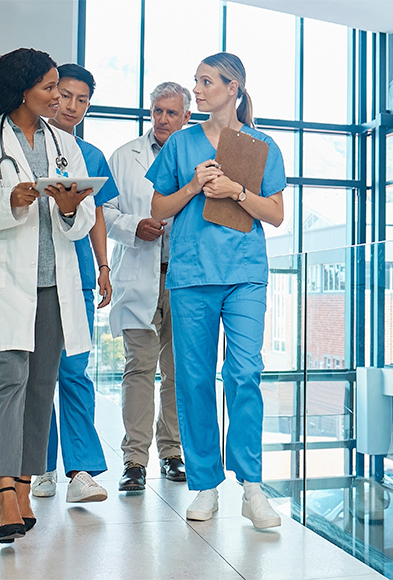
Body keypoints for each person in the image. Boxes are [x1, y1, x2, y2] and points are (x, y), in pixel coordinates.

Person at [0, 48, 95, 543]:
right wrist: (4, 200)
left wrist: (73, 208)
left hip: (54, 284)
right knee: (8, 377)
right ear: (22, 89)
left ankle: (26, 484)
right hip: (5, 282)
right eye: (51, 88)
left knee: (41, 385)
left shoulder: (64, 144)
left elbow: (85, 218)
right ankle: (3, 489)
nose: (59, 97)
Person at [147, 53, 286, 529]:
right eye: (197, 82)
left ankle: (251, 486)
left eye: (207, 82)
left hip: (245, 272)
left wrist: (235, 192)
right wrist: (193, 186)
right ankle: (206, 484)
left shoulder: (262, 144)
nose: (198, 91)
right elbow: (160, 206)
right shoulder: (181, 144)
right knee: (194, 380)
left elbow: (275, 214)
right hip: (190, 275)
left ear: (234, 87)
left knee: (245, 372)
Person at [29, 63, 116, 503]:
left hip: (77, 273)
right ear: (49, 93)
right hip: (32, 274)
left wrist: (102, 267)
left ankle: (80, 471)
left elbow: (97, 214)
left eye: (83, 100)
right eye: (65, 95)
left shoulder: (92, 154)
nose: (73, 106)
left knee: (73, 370)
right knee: (37, 372)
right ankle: (41, 466)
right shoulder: (26, 147)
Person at [105, 81, 193, 492]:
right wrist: (131, 225)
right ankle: (134, 460)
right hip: (139, 274)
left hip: (185, 280)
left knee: (177, 372)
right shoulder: (125, 158)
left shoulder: (199, 156)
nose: (162, 119)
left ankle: (172, 452)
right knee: (139, 368)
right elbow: (101, 212)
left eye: (171, 113)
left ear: (186, 117)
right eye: (157, 110)